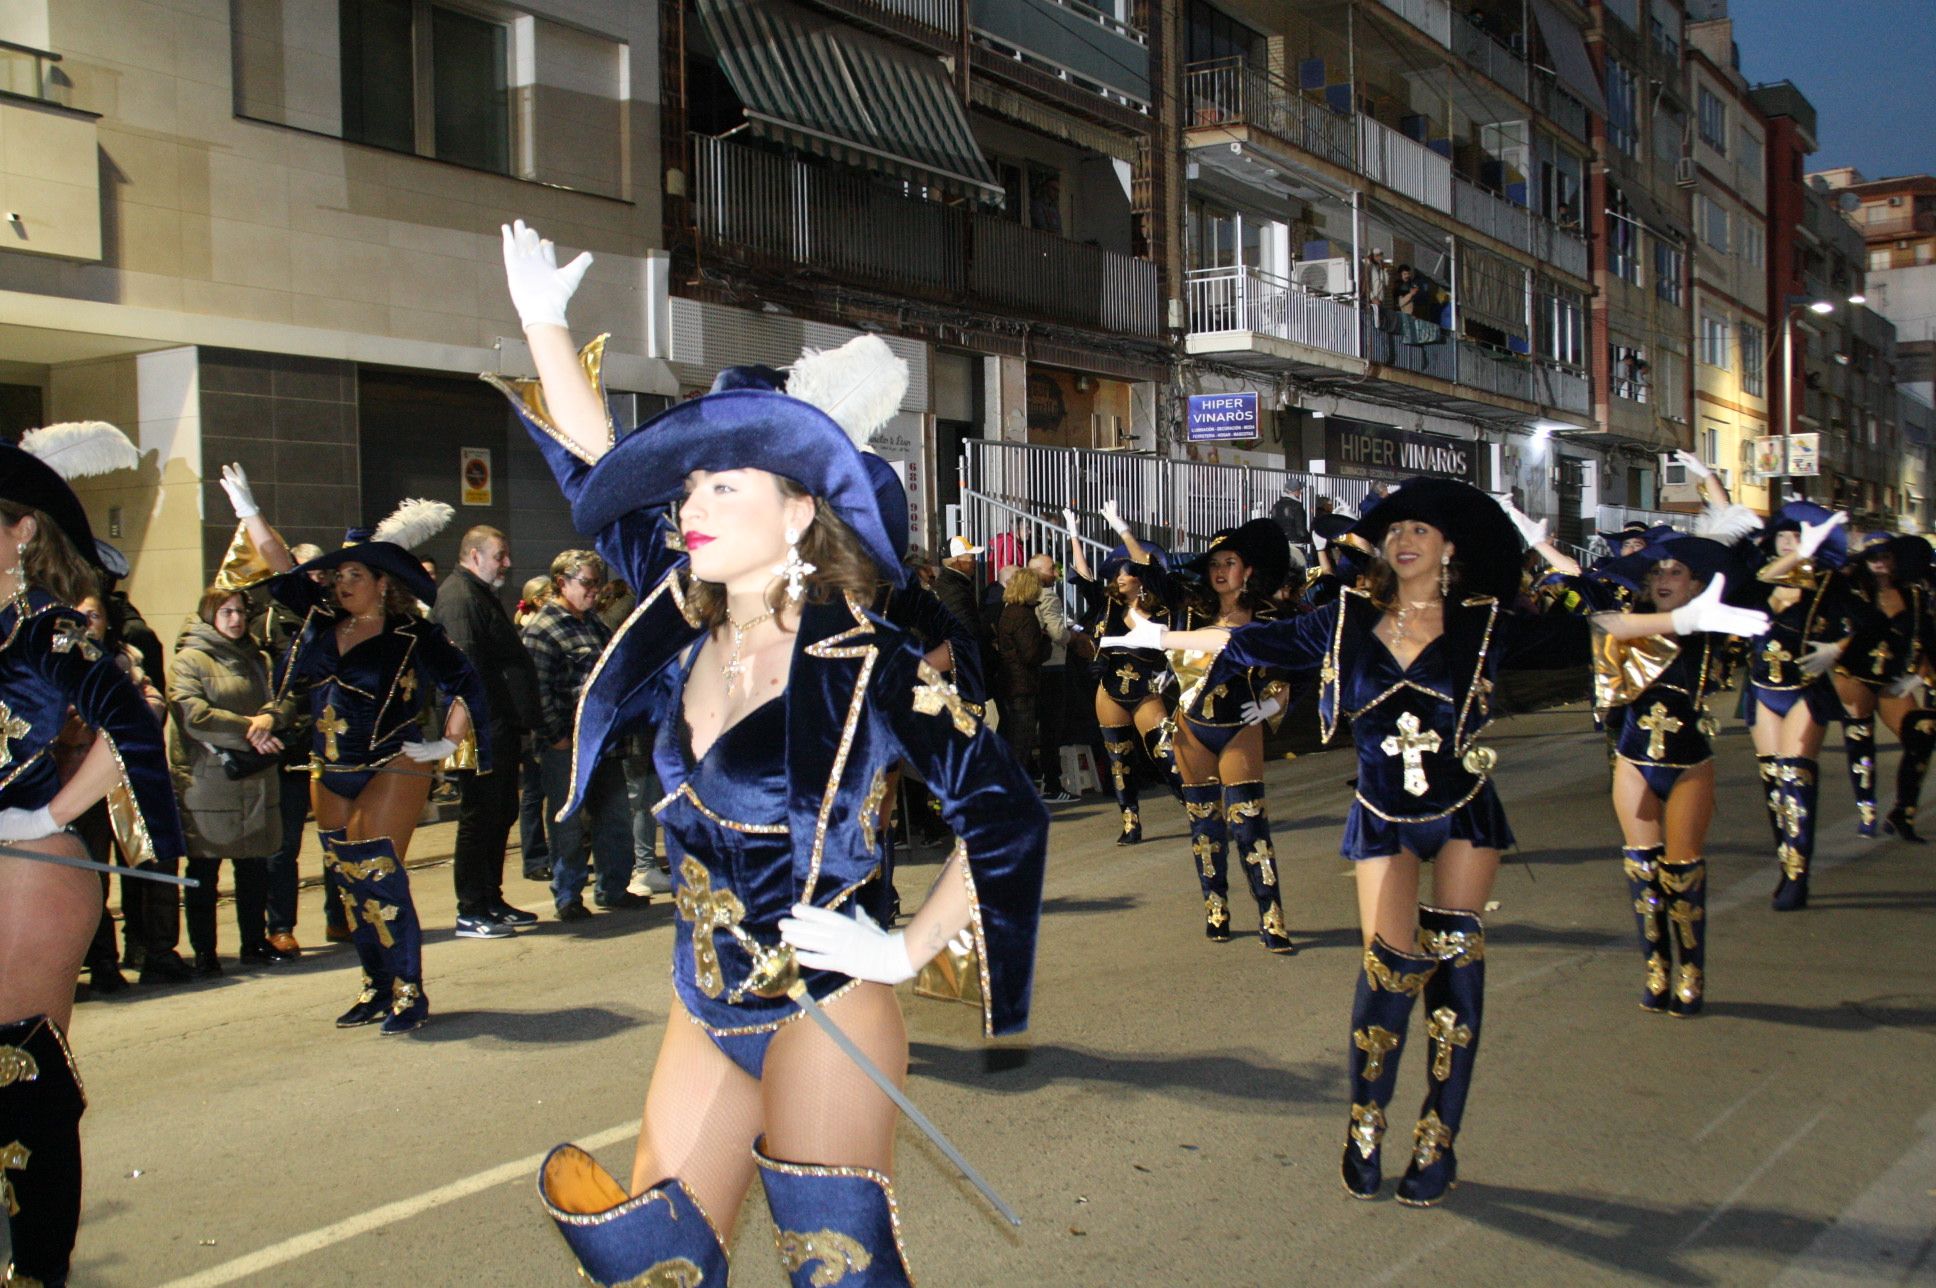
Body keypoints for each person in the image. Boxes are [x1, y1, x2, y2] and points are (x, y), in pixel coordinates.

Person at [494, 218, 1047, 1283]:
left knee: (833, 1267)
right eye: (688, 489)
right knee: (653, 1264)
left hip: (822, 1011)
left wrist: (907, 949)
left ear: (799, 512)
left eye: (722, 487)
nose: (690, 508)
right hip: (703, 1001)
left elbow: (1005, 809)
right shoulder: (675, 620)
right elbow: (599, 475)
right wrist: (544, 323)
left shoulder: (868, 659)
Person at [1110, 479, 1766, 1206]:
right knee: (1388, 970)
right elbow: (1241, 639)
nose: (1405, 539)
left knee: (1455, 971)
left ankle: (1437, 1135)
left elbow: (1596, 621)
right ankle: (1367, 1120)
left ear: (1450, 547)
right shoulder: (1345, 618)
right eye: (1395, 530)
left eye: (1421, 529)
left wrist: (1683, 616)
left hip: (1463, 813)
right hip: (1382, 812)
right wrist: (1157, 638)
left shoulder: (1484, 622)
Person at [0, 423, 188, 1286]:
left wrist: (45, 815)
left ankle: (36, 1267)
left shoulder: (46, 630)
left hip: (30, 870)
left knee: (17, 1065)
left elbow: (133, 720)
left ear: (21, 532)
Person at [220, 472, 491, 1034]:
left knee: (377, 873)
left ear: (382, 582)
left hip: (393, 761)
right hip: (329, 766)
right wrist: (249, 510)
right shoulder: (322, 620)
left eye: (354, 574)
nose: (341, 584)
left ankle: (409, 990)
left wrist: (446, 741)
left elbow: (468, 682)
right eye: (338, 574)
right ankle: (375, 984)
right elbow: (281, 567)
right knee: (348, 883)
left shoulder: (412, 634)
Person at [1149, 519, 1296, 952]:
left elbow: (1293, 668)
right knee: (1205, 827)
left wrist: (1272, 705)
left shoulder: (1269, 615)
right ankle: (1216, 907)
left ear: (1247, 570)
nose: (1219, 571)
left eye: (1228, 563)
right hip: (1192, 727)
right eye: (1214, 564)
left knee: (1250, 824)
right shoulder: (1191, 611)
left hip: (1239, 726)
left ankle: (1271, 914)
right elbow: (1171, 639)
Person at [167, 585, 293, 975]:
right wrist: (251, 731)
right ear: (209, 615)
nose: (236, 619)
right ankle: (205, 951)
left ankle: (253, 941)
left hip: (254, 778)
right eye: (226, 612)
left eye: (240, 611)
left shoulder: (257, 657)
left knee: (253, 866)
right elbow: (193, 715)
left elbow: (280, 699)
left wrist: (269, 719)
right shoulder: (189, 660)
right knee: (205, 869)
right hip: (209, 779)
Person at [522, 549, 644, 920]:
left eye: (598, 583)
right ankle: (568, 895)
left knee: (614, 817)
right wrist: (556, 737)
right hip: (566, 746)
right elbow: (536, 690)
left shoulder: (594, 624)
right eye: (587, 583)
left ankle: (613, 888)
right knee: (568, 823)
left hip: (604, 741)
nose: (595, 590)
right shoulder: (542, 629)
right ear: (562, 582)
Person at [435, 525, 542, 938]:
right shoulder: (459, 598)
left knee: (500, 813)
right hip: (478, 729)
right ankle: (471, 908)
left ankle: (491, 899)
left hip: (498, 724)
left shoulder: (479, 593)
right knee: (479, 816)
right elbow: (466, 668)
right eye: (500, 556)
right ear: (475, 555)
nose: (507, 563)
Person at [1747, 502, 1855, 910]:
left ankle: (1797, 875)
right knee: (1774, 784)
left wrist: (1837, 648)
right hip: (1761, 689)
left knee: (1795, 777)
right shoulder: (1761, 579)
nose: (1790, 543)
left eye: (1799, 537)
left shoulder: (1827, 581)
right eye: (1784, 536)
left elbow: (1868, 621)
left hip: (1805, 689)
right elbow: (1756, 582)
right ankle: (1785, 863)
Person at [1064, 500, 1178, 844]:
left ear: (1141, 580)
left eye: (1125, 573)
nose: (1119, 578)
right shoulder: (1108, 604)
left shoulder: (1163, 609)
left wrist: (1122, 529)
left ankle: (1197, 806)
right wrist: (1073, 534)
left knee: (1166, 754)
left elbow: (1147, 565)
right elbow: (1084, 575)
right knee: (1118, 760)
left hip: (1145, 689)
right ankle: (1130, 822)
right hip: (1110, 688)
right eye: (1118, 574)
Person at [1830, 535, 1936, 840]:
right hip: (1855, 675)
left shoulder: (1912, 592)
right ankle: (1867, 810)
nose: (1878, 562)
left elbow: (1924, 634)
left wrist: (1920, 673)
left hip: (1893, 679)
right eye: (1872, 556)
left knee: (1921, 734)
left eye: (1884, 556)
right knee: (1860, 739)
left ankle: (1903, 811)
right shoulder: (1850, 588)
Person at [254, 542, 326, 951]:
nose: (317, 578)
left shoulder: (332, 616)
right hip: (291, 744)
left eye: (322, 572)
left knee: (340, 837)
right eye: (309, 571)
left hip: (330, 740)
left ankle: (342, 918)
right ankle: (280, 925)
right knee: (285, 843)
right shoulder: (268, 623)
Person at [1026, 552, 1080, 801]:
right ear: (1038, 571)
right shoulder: (1047, 596)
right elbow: (1058, 633)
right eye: (1052, 569)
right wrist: (1073, 636)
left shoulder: (1021, 596)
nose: (1056, 574)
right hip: (1053, 665)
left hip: (1034, 667)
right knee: (1051, 728)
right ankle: (1052, 784)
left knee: (1032, 728)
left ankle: (1035, 780)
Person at [993, 567, 1052, 786]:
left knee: (1014, 735)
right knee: (1021, 739)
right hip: (1022, 683)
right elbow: (1031, 655)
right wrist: (1045, 642)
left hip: (1010, 681)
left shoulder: (1008, 612)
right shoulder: (1024, 616)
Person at [1271, 481, 1311, 554]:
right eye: (1299, 490)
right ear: (1294, 491)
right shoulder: (1297, 506)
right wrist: (1310, 539)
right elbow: (1300, 530)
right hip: (1295, 546)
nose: (1301, 492)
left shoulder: (1276, 506)